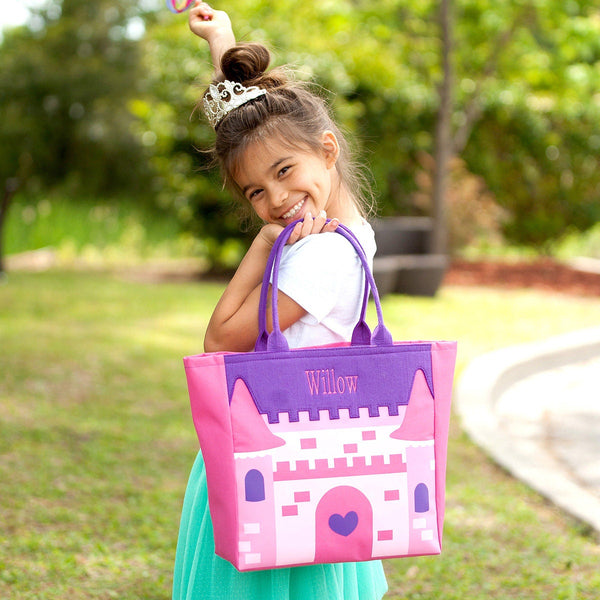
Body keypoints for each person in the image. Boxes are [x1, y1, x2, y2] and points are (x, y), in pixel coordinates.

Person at [172, 3, 388, 599]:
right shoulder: (347, 227)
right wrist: (222, 42)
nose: (277, 197)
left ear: (327, 149)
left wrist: (264, 245)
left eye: (287, 171)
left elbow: (220, 340)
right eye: (256, 192)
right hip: (306, 452)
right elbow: (253, 127)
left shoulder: (320, 255)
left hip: (276, 457)